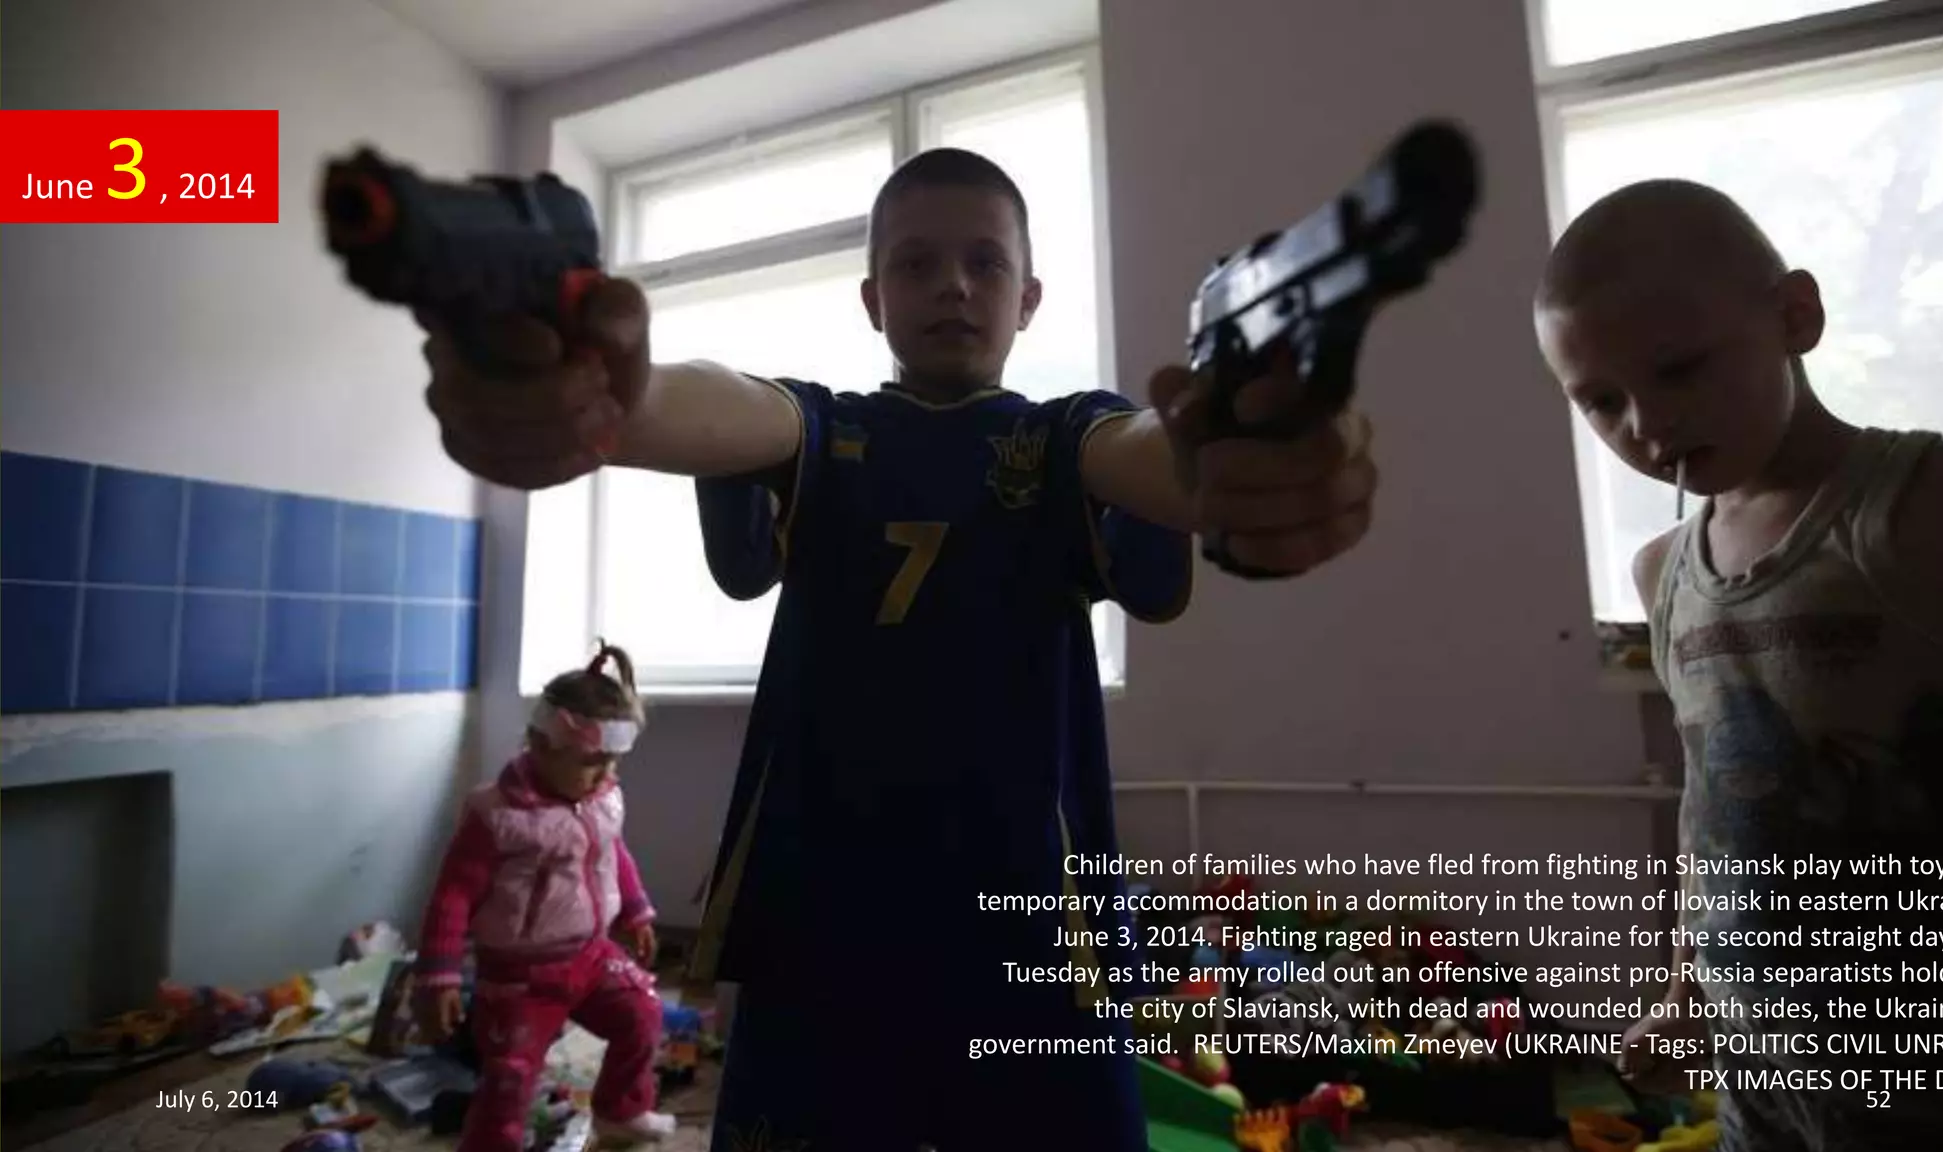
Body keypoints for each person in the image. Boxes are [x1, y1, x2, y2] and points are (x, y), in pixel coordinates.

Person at [418, 147, 1383, 1151]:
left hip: (1033, 923)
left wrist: (1231, 451)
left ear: (1029, 297)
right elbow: (718, 402)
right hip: (824, 910)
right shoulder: (822, 429)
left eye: (983, 262)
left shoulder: (1062, 437)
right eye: (916, 265)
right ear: (874, 300)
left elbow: (1147, 453)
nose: (952, 285)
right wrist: (615, 398)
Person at [1533, 178, 1943, 1149]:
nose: (1642, 424)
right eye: (1599, 400)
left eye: (1678, 368)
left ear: (1794, 316)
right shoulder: (1663, 575)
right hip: (1765, 1103)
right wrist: (1682, 994)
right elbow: (1709, 815)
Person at [413, 644, 673, 1152]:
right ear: (540, 743)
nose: (605, 776)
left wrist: (637, 910)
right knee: (510, 1076)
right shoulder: (499, 815)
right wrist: (438, 973)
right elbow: (452, 895)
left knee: (642, 1012)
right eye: (592, 763)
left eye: (613, 764)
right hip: (519, 976)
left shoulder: (599, 801)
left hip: (591, 955)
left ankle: (621, 1111)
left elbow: (612, 854)